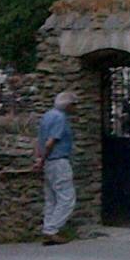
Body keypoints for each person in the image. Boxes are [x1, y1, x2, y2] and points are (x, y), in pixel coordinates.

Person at [35, 89, 77, 245]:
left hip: (48, 162)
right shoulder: (60, 118)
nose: (76, 109)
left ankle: (48, 227)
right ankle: (52, 229)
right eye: (74, 105)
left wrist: (39, 159)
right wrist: (43, 158)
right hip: (59, 160)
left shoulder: (47, 116)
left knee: (51, 198)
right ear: (68, 105)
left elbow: (39, 139)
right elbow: (51, 141)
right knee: (67, 198)